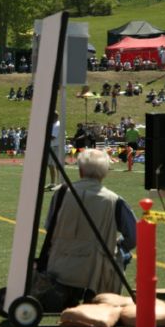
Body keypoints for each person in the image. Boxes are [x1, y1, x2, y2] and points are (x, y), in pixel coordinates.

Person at [41, 149, 136, 307]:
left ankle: (68, 291)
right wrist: (119, 244)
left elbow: (49, 226)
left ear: (80, 170)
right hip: (95, 269)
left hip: (59, 264)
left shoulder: (62, 193)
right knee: (123, 253)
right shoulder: (114, 200)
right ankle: (98, 293)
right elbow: (134, 236)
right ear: (105, 173)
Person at [46, 111, 60, 189]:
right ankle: (53, 183)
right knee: (51, 165)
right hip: (53, 146)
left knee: (54, 165)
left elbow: (53, 137)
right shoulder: (53, 124)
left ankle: (57, 183)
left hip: (55, 146)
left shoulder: (57, 125)